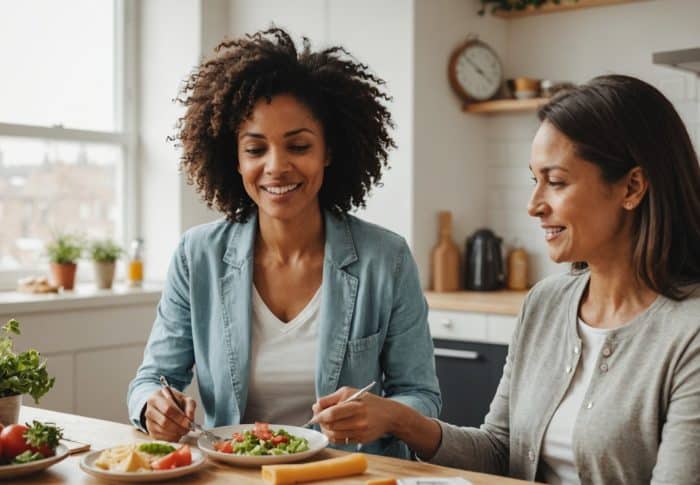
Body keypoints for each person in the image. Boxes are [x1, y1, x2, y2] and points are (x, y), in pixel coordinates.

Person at [313, 75, 700, 483]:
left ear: (632, 187)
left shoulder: (688, 333)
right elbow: (501, 451)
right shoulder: (546, 303)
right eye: (536, 180)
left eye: (556, 182)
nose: (534, 206)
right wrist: (399, 419)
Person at [126, 27, 441, 458]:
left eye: (298, 145)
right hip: (235, 472)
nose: (277, 167)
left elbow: (420, 395)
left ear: (328, 150)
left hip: (350, 474)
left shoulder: (385, 259)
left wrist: (387, 414)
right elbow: (151, 379)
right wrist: (153, 407)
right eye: (256, 149)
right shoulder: (196, 256)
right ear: (233, 158)